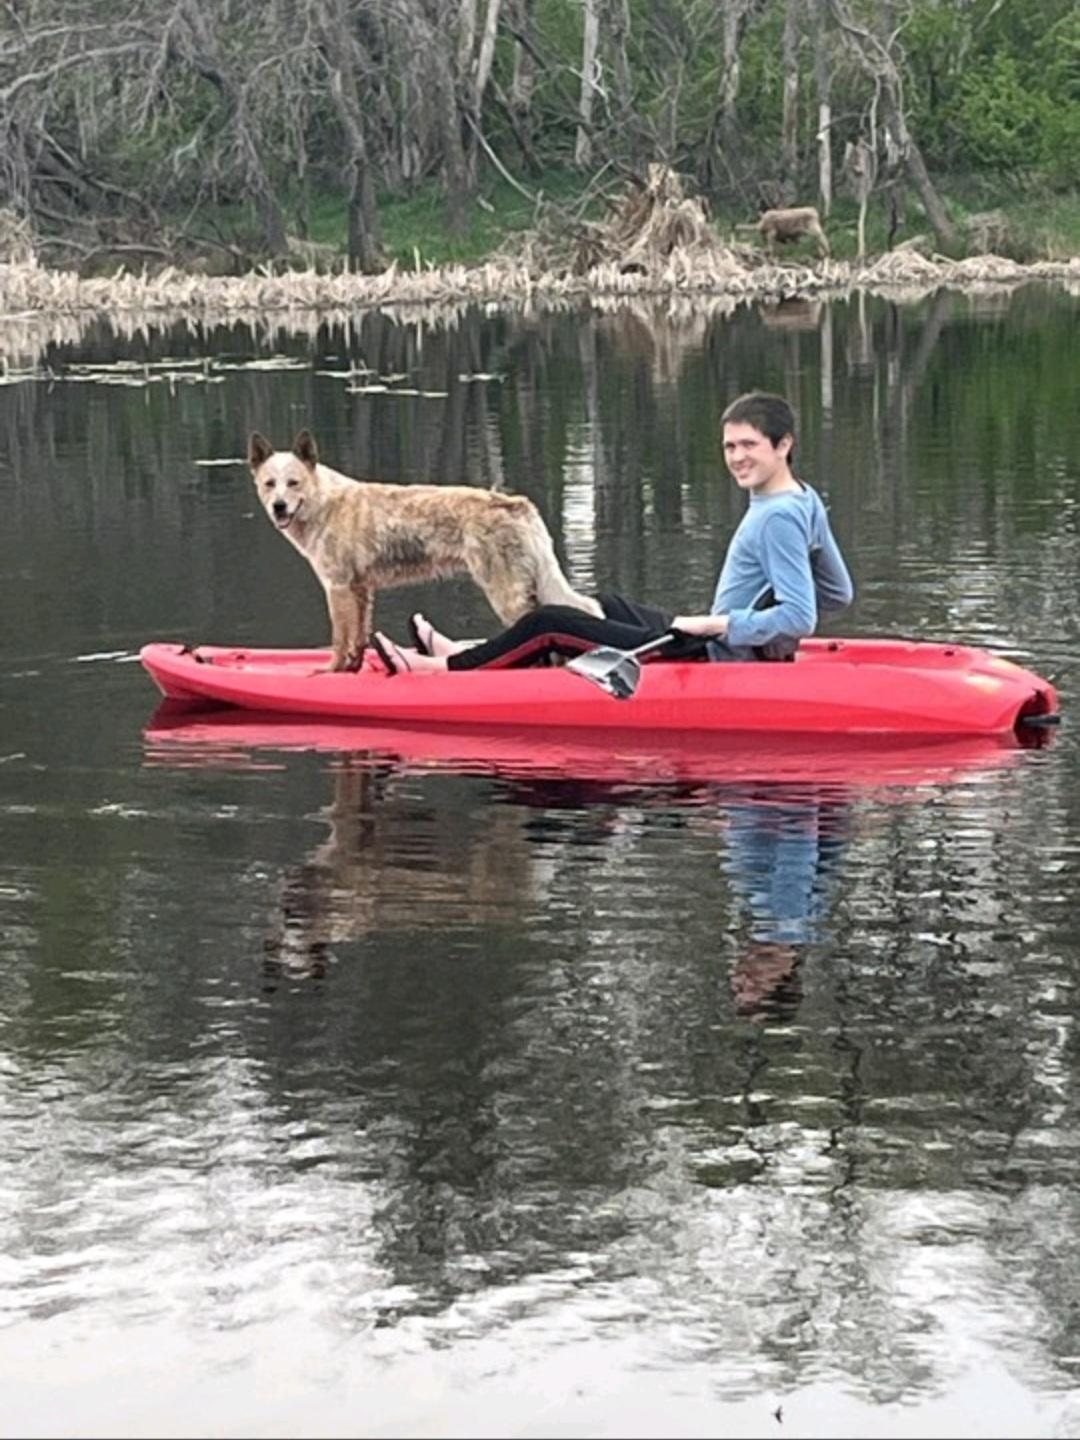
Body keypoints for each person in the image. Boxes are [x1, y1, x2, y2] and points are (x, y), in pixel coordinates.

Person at [371, 390, 853, 675]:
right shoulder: (802, 499)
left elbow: (800, 616)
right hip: (712, 642)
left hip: (711, 656)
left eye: (749, 445)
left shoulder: (775, 518)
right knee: (606, 605)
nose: (737, 457)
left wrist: (722, 626)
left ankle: (442, 668)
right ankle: (469, 652)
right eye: (730, 446)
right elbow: (838, 592)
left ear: (783, 445)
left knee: (550, 623)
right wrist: (763, 634)